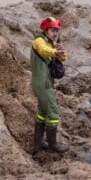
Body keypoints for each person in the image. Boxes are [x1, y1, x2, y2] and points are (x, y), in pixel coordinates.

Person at [31, 17, 68, 154]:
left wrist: (60, 51)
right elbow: (42, 50)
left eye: (57, 31)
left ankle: (38, 144)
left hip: (45, 82)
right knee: (53, 114)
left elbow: (62, 58)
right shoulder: (39, 40)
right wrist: (54, 51)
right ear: (46, 30)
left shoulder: (51, 44)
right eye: (53, 30)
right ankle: (53, 145)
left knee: (42, 112)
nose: (55, 33)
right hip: (42, 83)